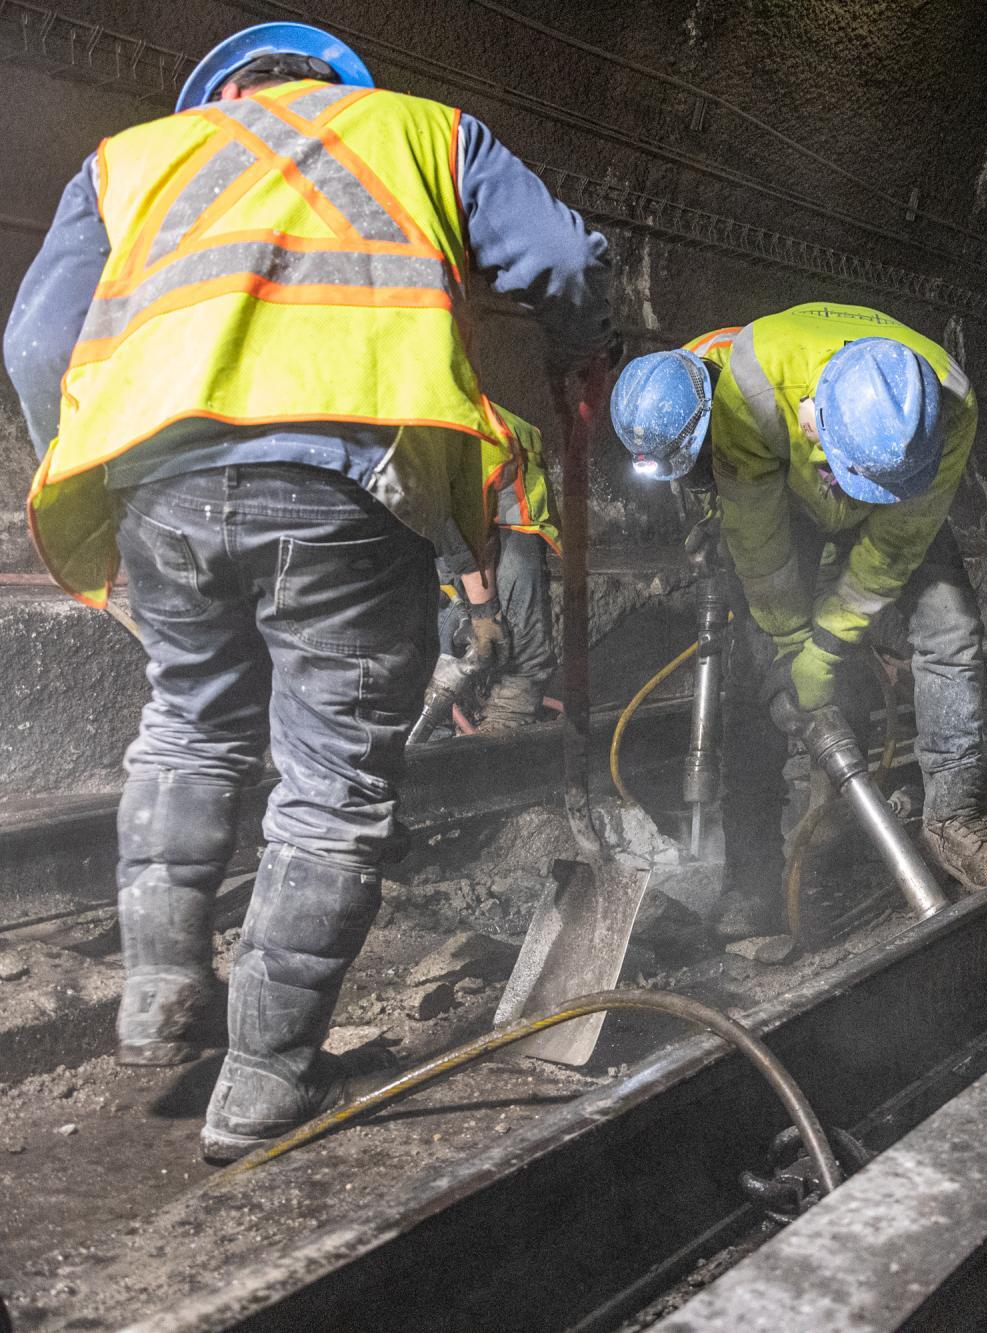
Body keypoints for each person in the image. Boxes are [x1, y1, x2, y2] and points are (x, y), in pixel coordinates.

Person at [3, 23, 613, 1161]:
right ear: (338, 85)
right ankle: (263, 1085)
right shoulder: (429, 135)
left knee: (186, 726)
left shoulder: (131, 157)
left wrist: (94, 472)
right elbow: (567, 267)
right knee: (329, 786)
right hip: (346, 485)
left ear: (223, 91)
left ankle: (160, 995)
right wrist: (588, 346)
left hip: (162, 489)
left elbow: (38, 341)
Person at [610, 304, 987, 936]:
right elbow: (757, 535)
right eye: (843, 470)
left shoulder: (950, 408)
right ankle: (751, 879)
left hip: (896, 496)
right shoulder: (751, 391)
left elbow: (895, 544)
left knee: (950, 625)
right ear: (813, 415)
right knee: (760, 683)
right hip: (791, 502)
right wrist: (788, 644)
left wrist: (827, 646)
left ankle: (955, 823)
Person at [428, 402, 561, 733]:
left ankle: (509, 713)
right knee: (444, 596)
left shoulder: (435, 443)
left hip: (506, 477)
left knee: (515, 595)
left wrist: (484, 611)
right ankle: (443, 716)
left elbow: (469, 529)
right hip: (447, 477)